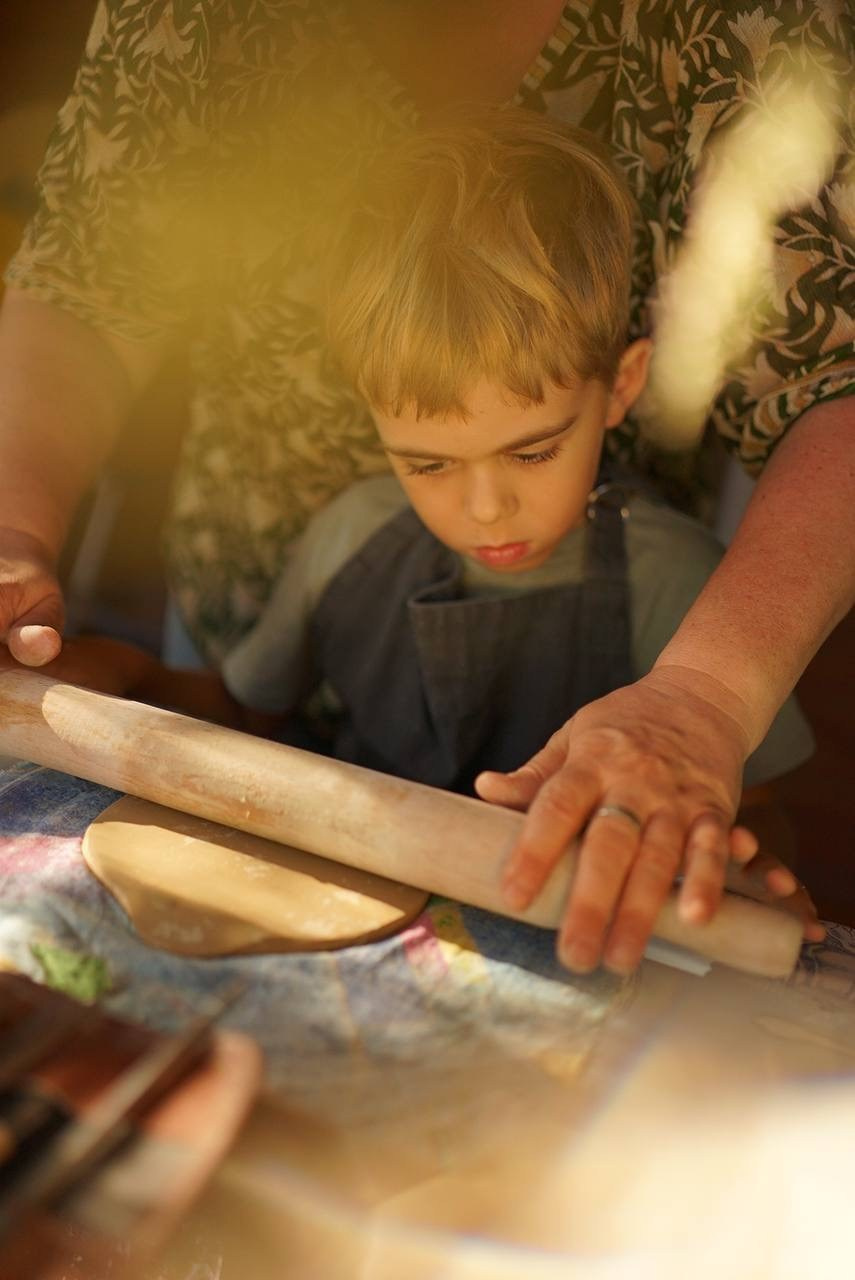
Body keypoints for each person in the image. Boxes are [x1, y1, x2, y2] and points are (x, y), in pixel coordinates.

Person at [0, 1, 851, 971]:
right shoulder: (345, 539)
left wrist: (728, 857)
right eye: (428, 462)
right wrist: (95, 675)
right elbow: (238, 712)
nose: (482, 507)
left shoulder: (677, 582)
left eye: (531, 451)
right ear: (371, 420)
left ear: (622, 384)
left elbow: (749, 815)